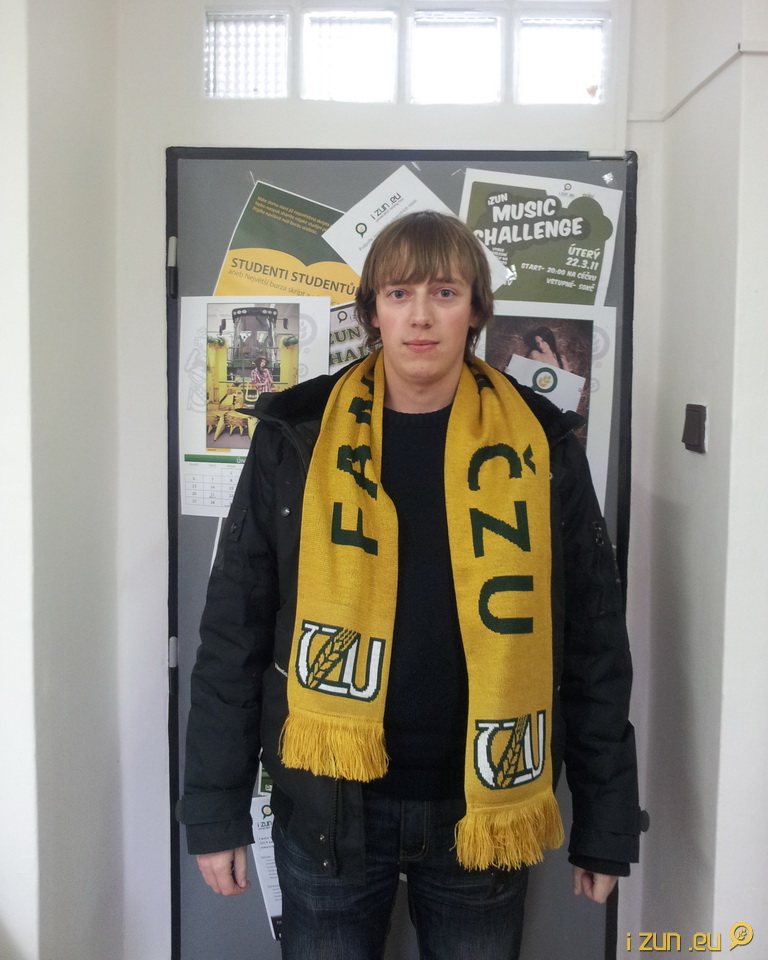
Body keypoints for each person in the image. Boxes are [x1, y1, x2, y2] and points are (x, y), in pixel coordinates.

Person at [178, 211, 641, 959]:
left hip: (480, 808)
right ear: (372, 313)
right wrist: (214, 810)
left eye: (444, 292)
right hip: (329, 806)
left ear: (476, 310)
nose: (421, 316)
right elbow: (234, 627)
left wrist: (606, 822)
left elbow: (594, 641)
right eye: (399, 294)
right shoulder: (298, 436)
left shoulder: (543, 443)